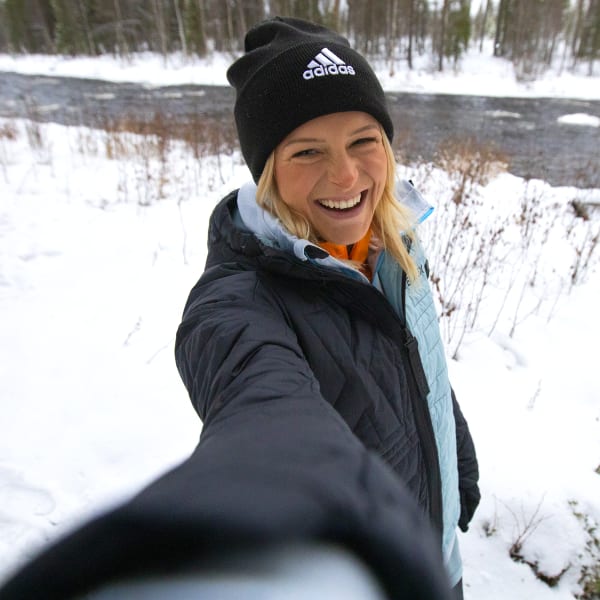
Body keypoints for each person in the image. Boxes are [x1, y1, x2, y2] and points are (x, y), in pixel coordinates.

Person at [0, 16, 479, 600]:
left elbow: (417, 360)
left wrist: (455, 455)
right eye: (307, 151)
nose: (347, 174)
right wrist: (237, 548)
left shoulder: (394, 241)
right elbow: (266, 412)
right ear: (267, 171)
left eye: (363, 140)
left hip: (439, 561)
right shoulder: (239, 298)